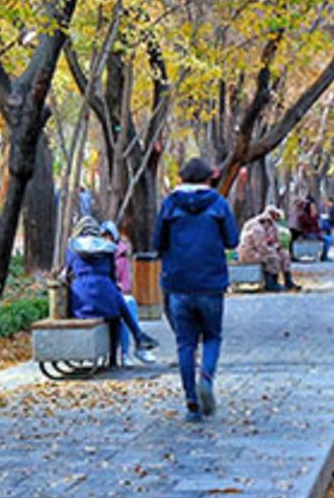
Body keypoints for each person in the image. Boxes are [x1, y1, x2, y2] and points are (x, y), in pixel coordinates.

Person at [156, 158, 240, 419]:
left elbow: (157, 242)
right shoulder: (218, 204)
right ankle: (206, 377)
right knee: (212, 336)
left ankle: (191, 403)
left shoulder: (170, 204)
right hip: (210, 283)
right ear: (208, 178)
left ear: (181, 178)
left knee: (185, 343)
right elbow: (232, 240)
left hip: (178, 284)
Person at [68, 218, 152, 366]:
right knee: (116, 314)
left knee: (115, 300)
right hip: (105, 293)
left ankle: (138, 337)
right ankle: (120, 352)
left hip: (81, 299)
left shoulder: (72, 248)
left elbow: (69, 272)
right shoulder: (107, 249)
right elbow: (112, 275)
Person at [102, 222, 161, 360]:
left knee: (129, 303)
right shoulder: (99, 255)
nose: (107, 240)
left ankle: (127, 352)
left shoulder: (121, 257)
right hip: (106, 296)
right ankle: (137, 342)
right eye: (104, 237)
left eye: (109, 237)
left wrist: (118, 287)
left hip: (117, 294)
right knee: (126, 306)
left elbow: (126, 284)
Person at [239, 205, 298, 291]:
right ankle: (271, 282)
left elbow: (276, 241)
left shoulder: (272, 226)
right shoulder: (256, 227)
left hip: (264, 249)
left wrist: (277, 247)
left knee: (284, 254)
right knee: (272, 257)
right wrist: (273, 249)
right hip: (250, 252)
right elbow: (260, 246)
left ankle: (288, 280)